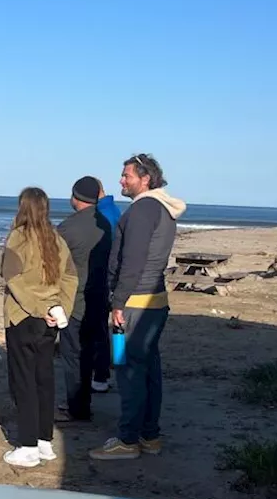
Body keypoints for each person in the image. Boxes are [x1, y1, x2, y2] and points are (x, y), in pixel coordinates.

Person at [90, 154, 186, 461]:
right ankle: (149, 435)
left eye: (126, 175)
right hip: (152, 301)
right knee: (147, 369)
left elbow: (132, 261)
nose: (121, 180)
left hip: (134, 304)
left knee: (129, 370)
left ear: (145, 179)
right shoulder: (161, 207)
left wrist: (117, 303)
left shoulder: (144, 209)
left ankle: (128, 440)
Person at [0, 187, 78, 467]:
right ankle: (44, 441)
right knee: (43, 378)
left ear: (23, 207)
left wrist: (39, 309)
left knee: (24, 381)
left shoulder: (19, 237)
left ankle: (29, 445)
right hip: (50, 317)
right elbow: (70, 278)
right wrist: (61, 309)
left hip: (25, 317)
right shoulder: (56, 238)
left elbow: (13, 278)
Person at [55, 176, 115, 422]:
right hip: (100, 297)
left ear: (75, 197)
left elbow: (53, 266)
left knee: (72, 355)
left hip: (75, 300)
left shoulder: (67, 228)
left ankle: (77, 407)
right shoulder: (106, 224)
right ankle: (83, 400)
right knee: (89, 351)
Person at [91, 182, 121, 393]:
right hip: (113, 277)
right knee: (114, 326)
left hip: (105, 278)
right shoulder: (112, 209)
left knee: (101, 327)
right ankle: (115, 366)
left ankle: (102, 375)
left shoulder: (104, 215)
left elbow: (106, 249)